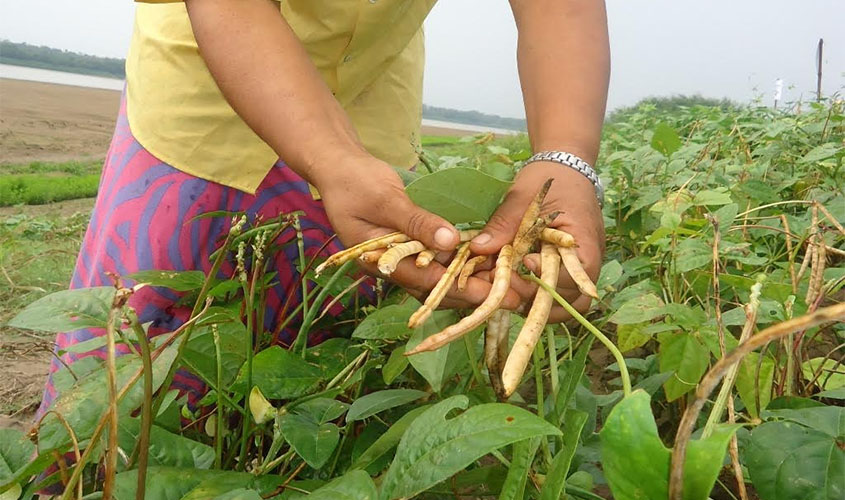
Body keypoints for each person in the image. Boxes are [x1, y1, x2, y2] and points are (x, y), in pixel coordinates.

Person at [38, 0, 609, 415]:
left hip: (373, 93)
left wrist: (566, 160)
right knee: (137, 355)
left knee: (322, 362)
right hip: (208, 76)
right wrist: (329, 159)